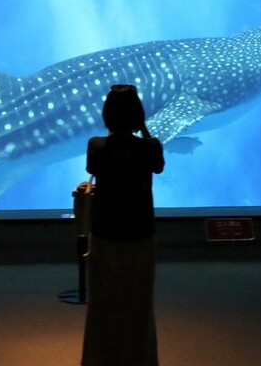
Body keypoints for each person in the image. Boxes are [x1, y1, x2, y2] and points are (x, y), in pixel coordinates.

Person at [81, 84, 165, 366]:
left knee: (103, 304)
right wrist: (144, 129)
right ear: (139, 115)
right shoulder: (150, 147)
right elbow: (158, 165)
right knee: (139, 305)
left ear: (107, 115)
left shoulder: (96, 146)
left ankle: (99, 360)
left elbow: (94, 169)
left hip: (105, 234)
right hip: (141, 233)